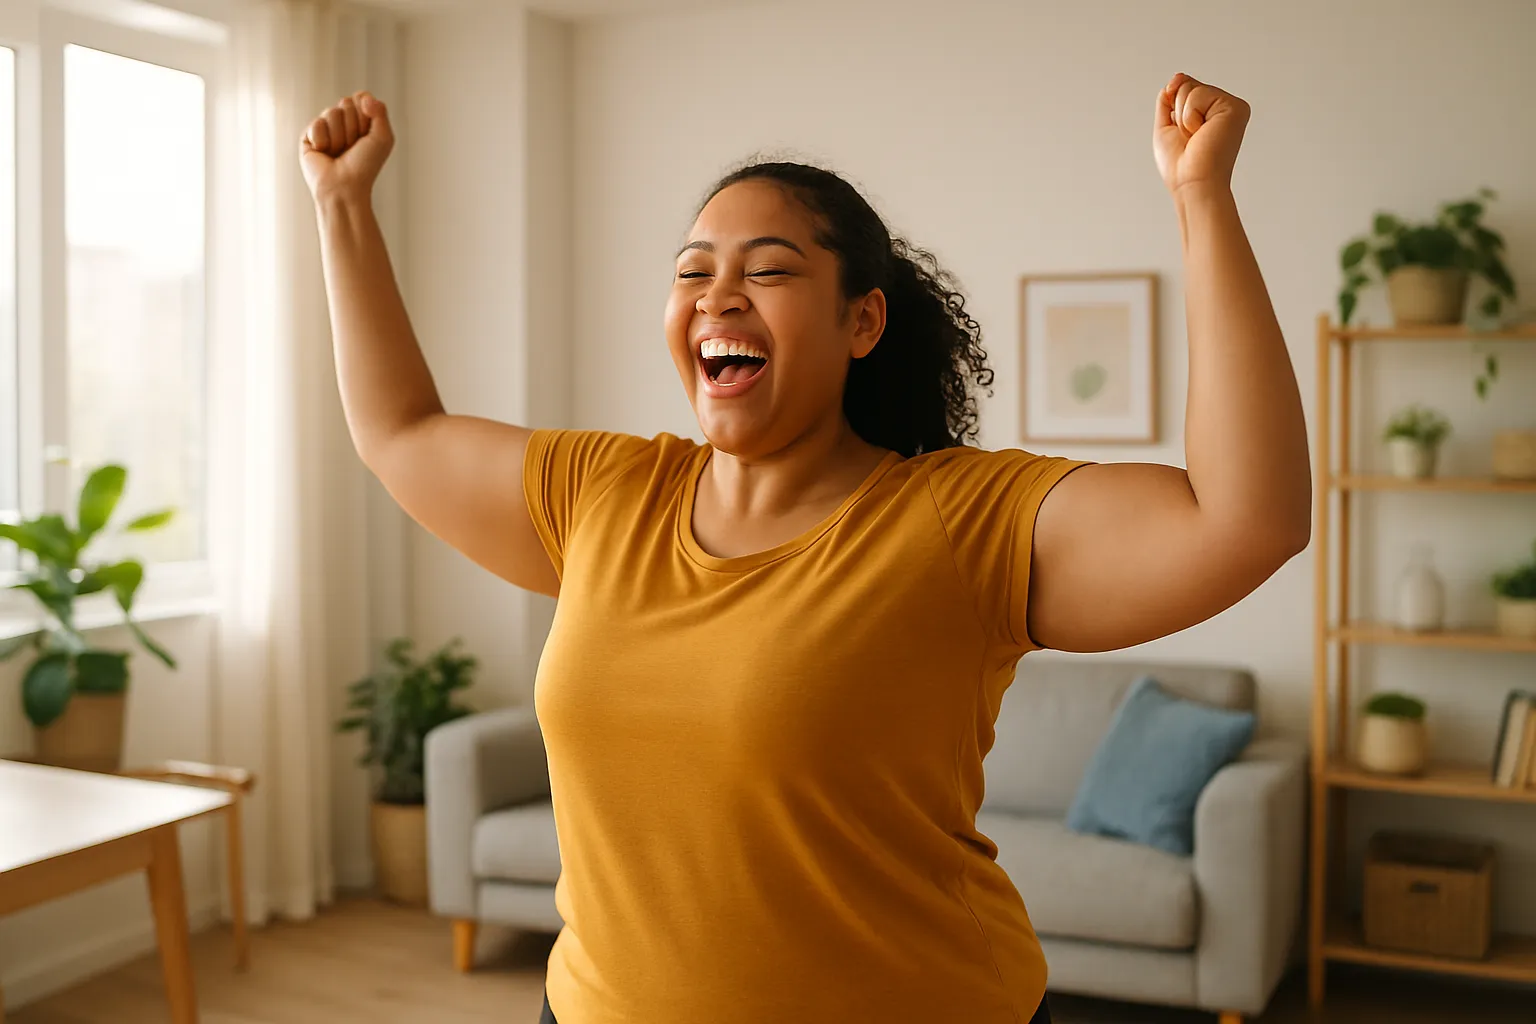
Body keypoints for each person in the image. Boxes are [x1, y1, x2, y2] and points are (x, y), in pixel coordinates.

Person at [301, 72, 1310, 1024]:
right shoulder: (603, 494)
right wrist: (342, 208)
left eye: (768, 270)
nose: (717, 294)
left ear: (861, 319)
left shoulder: (961, 522)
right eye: (693, 271)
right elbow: (400, 432)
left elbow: (1244, 519)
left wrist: (1201, 199)